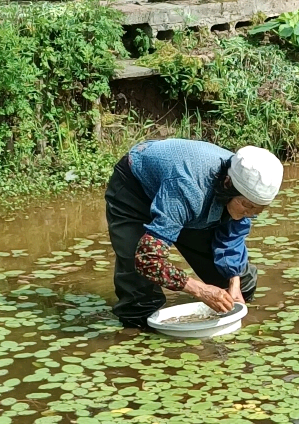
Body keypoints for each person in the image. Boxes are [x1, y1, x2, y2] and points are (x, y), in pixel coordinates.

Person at [104, 138, 284, 330]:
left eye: (257, 210)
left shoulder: (243, 185)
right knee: (140, 301)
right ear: (227, 183)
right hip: (136, 191)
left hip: (190, 200)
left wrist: (234, 282)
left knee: (241, 283)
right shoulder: (188, 188)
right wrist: (199, 290)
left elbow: (232, 235)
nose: (248, 214)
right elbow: (148, 259)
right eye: (246, 206)